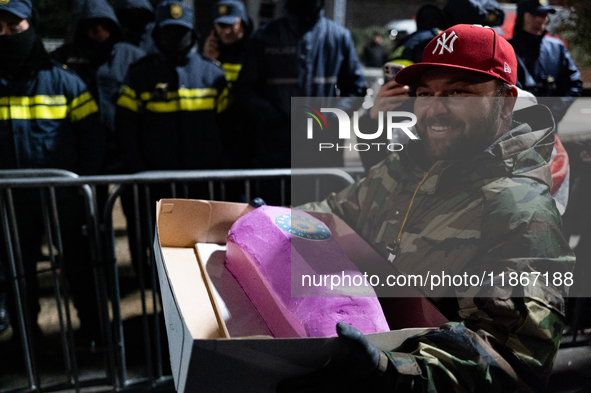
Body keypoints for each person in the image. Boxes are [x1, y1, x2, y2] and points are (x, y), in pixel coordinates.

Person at [286, 25, 575, 392]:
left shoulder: (521, 213)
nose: (434, 109)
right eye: (425, 93)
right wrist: (272, 220)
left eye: (458, 92)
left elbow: (511, 361)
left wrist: (390, 371)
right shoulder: (405, 167)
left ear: (505, 102)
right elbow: (336, 212)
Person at [0, 0, 105, 348]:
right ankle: (27, 342)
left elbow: (92, 139)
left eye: (15, 26)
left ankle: (93, 335)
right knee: (17, 273)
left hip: (63, 199)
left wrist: (81, 186)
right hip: (9, 202)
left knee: (80, 267)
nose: (6, 33)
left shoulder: (65, 82)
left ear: (31, 24)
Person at [115, 0, 229, 273]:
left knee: (202, 256)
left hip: (203, 187)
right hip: (156, 186)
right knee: (163, 259)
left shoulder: (212, 74)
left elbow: (228, 131)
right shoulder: (140, 74)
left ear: (192, 32)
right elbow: (126, 128)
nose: (175, 38)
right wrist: (139, 172)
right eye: (169, 31)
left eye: (181, 31)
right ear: (157, 33)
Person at [235, 0, 366, 204]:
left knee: (319, 222)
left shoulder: (338, 37)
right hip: (275, 151)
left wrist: (330, 117)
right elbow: (245, 89)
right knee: (274, 220)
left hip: (322, 151)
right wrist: (273, 117)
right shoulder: (265, 36)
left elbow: (356, 90)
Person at [51, 0, 146, 177]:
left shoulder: (132, 56)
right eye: (91, 24)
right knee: (91, 203)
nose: (98, 30)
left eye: (104, 24)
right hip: (83, 152)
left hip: (126, 150)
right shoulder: (64, 58)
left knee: (136, 202)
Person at [509, 0, 582, 125]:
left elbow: (574, 84)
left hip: (548, 129)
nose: (540, 20)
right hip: (513, 128)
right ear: (522, 15)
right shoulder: (506, 48)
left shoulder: (556, 48)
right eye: (534, 14)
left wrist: (551, 115)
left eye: (543, 15)